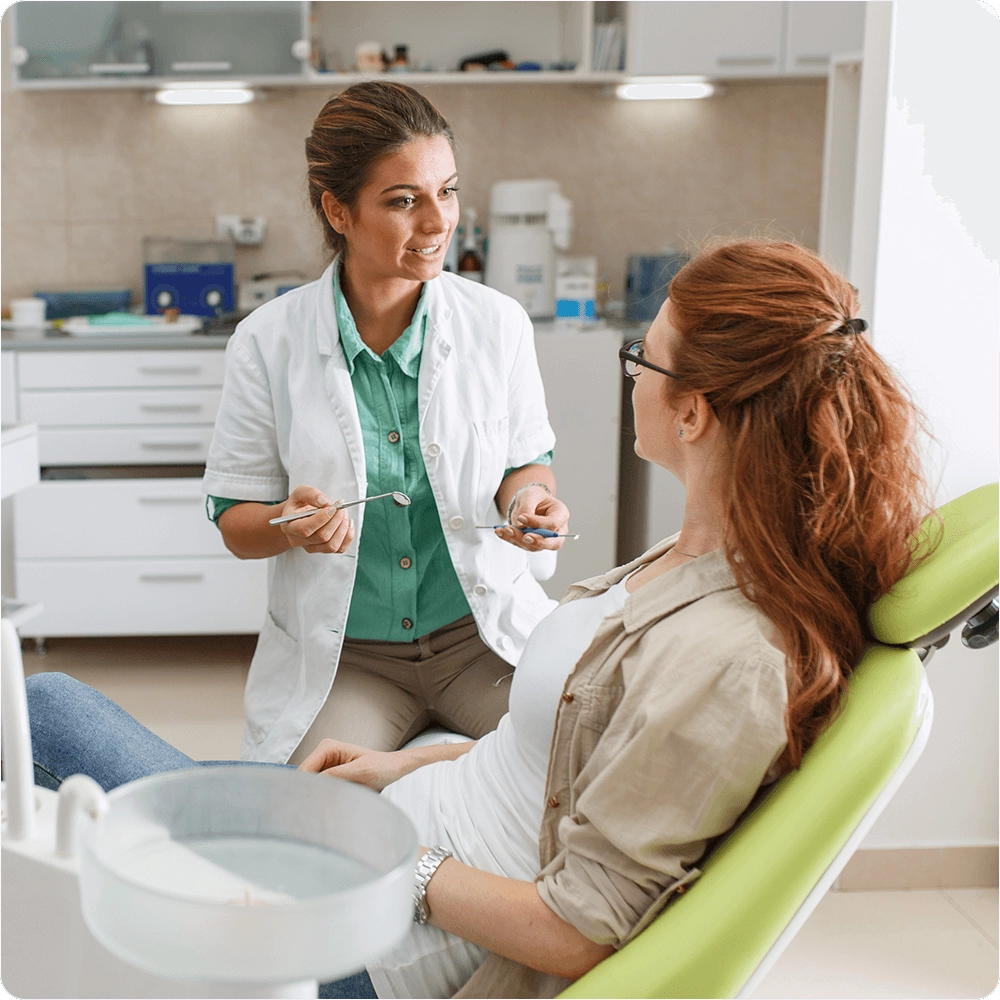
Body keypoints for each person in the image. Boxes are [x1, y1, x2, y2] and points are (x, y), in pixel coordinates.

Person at [27, 239, 931, 999]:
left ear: (692, 411)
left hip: (375, 937)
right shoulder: (693, 561)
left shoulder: (730, 655)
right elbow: (567, 754)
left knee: (46, 716)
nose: (634, 377)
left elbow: (578, 934)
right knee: (65, 768)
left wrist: (395, 864)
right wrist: (406, 767)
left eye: (642, 358)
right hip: (389, 823)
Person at [202, 82, 571, 765]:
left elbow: (526, 461)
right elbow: (236, 521)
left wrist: (527, 500)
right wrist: (289, 521)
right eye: (404, 200)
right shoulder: (266, 342)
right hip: (352, 659)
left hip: (479, 643)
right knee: (314, 818)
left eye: (448, 191)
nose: (438, 223)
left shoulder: (498, 325)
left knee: (575, 770)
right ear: (337, 211)